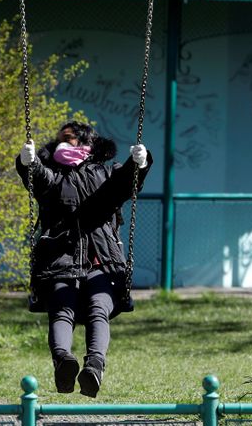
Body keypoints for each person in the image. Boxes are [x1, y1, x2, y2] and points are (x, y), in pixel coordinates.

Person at [16, 121, 152, 398]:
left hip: (101, 259)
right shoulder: (52, 175)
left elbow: (123, 184)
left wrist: (139, 163)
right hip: (61, 259)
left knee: (98, 307)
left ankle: (94, 366)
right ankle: (63, 362)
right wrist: (26, 162)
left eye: (71, 139)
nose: (63, 143)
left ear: (87, 143)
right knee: (61, 307)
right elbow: (38, 178)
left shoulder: (104, 174)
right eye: (60, 140)